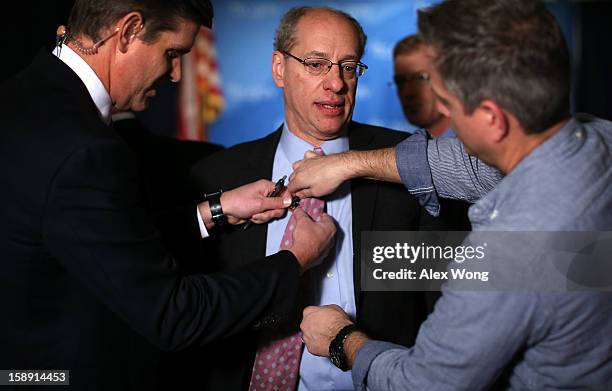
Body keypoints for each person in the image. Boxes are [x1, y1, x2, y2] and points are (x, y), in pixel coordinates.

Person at [0, 1, 336, 389]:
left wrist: (213, 211)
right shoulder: (85, 149)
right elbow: (175, 315)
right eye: (172, 54)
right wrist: (295, 260)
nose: (176, 75)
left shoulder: (23, 95)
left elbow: (90, 241)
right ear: (127, 31)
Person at [291, 0, 612, 389]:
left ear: (492, 118)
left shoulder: (508, 254)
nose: (440, 111)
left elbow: (423, 383)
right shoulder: (599, 138)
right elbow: (471, 165)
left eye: (447, 102)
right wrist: (349, 164)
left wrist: (342, 338)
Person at [189, 6, 434, 391]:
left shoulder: (408, 167)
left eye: (348, 66)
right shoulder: (216, 177)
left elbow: (444, 298)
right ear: (279, 69)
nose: (336, 83)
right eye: (317, 64)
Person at [392, 33, 471, 231]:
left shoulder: (479, 149)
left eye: (420, 78)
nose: (408, 92)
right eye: (401, 81)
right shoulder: (403, 149)